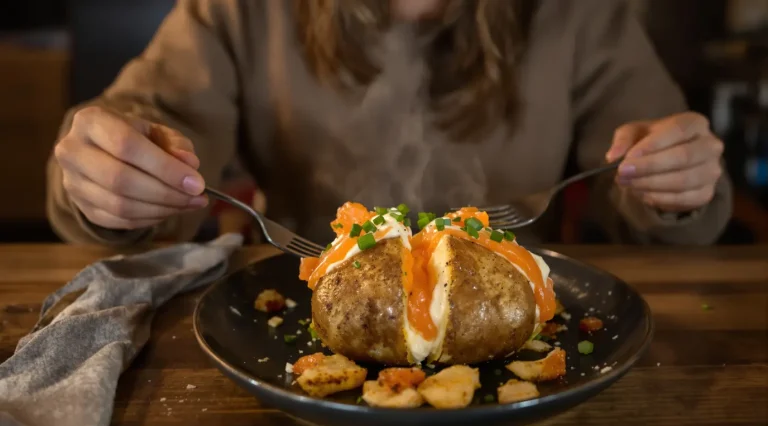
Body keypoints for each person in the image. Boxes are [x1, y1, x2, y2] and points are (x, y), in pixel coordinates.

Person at [47, 0, 732, 247]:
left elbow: (659, 167)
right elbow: (146, 123)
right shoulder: (238, 8)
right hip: (296, 311)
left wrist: (678, 186)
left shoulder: (579, 12)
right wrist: (111, 181)